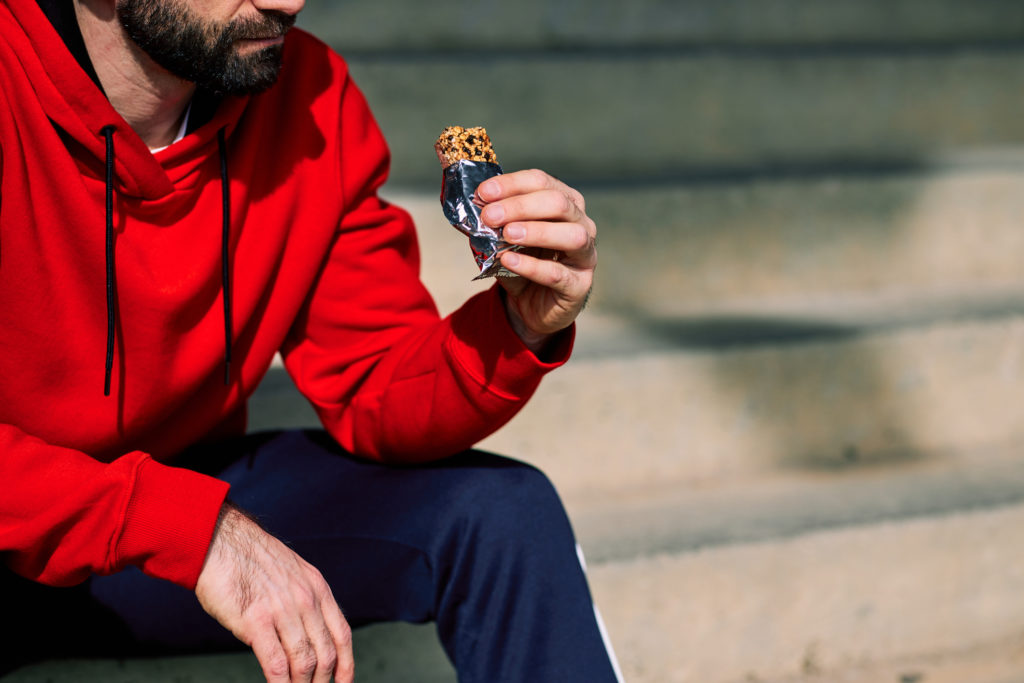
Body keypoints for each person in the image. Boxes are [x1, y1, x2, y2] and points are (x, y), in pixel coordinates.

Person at [0, 0, 624, 681]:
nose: (288, 0)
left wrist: (518, 325)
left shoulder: (305, 96)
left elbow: (375, 381)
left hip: (161, 524)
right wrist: (182, 524)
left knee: (503, 511)